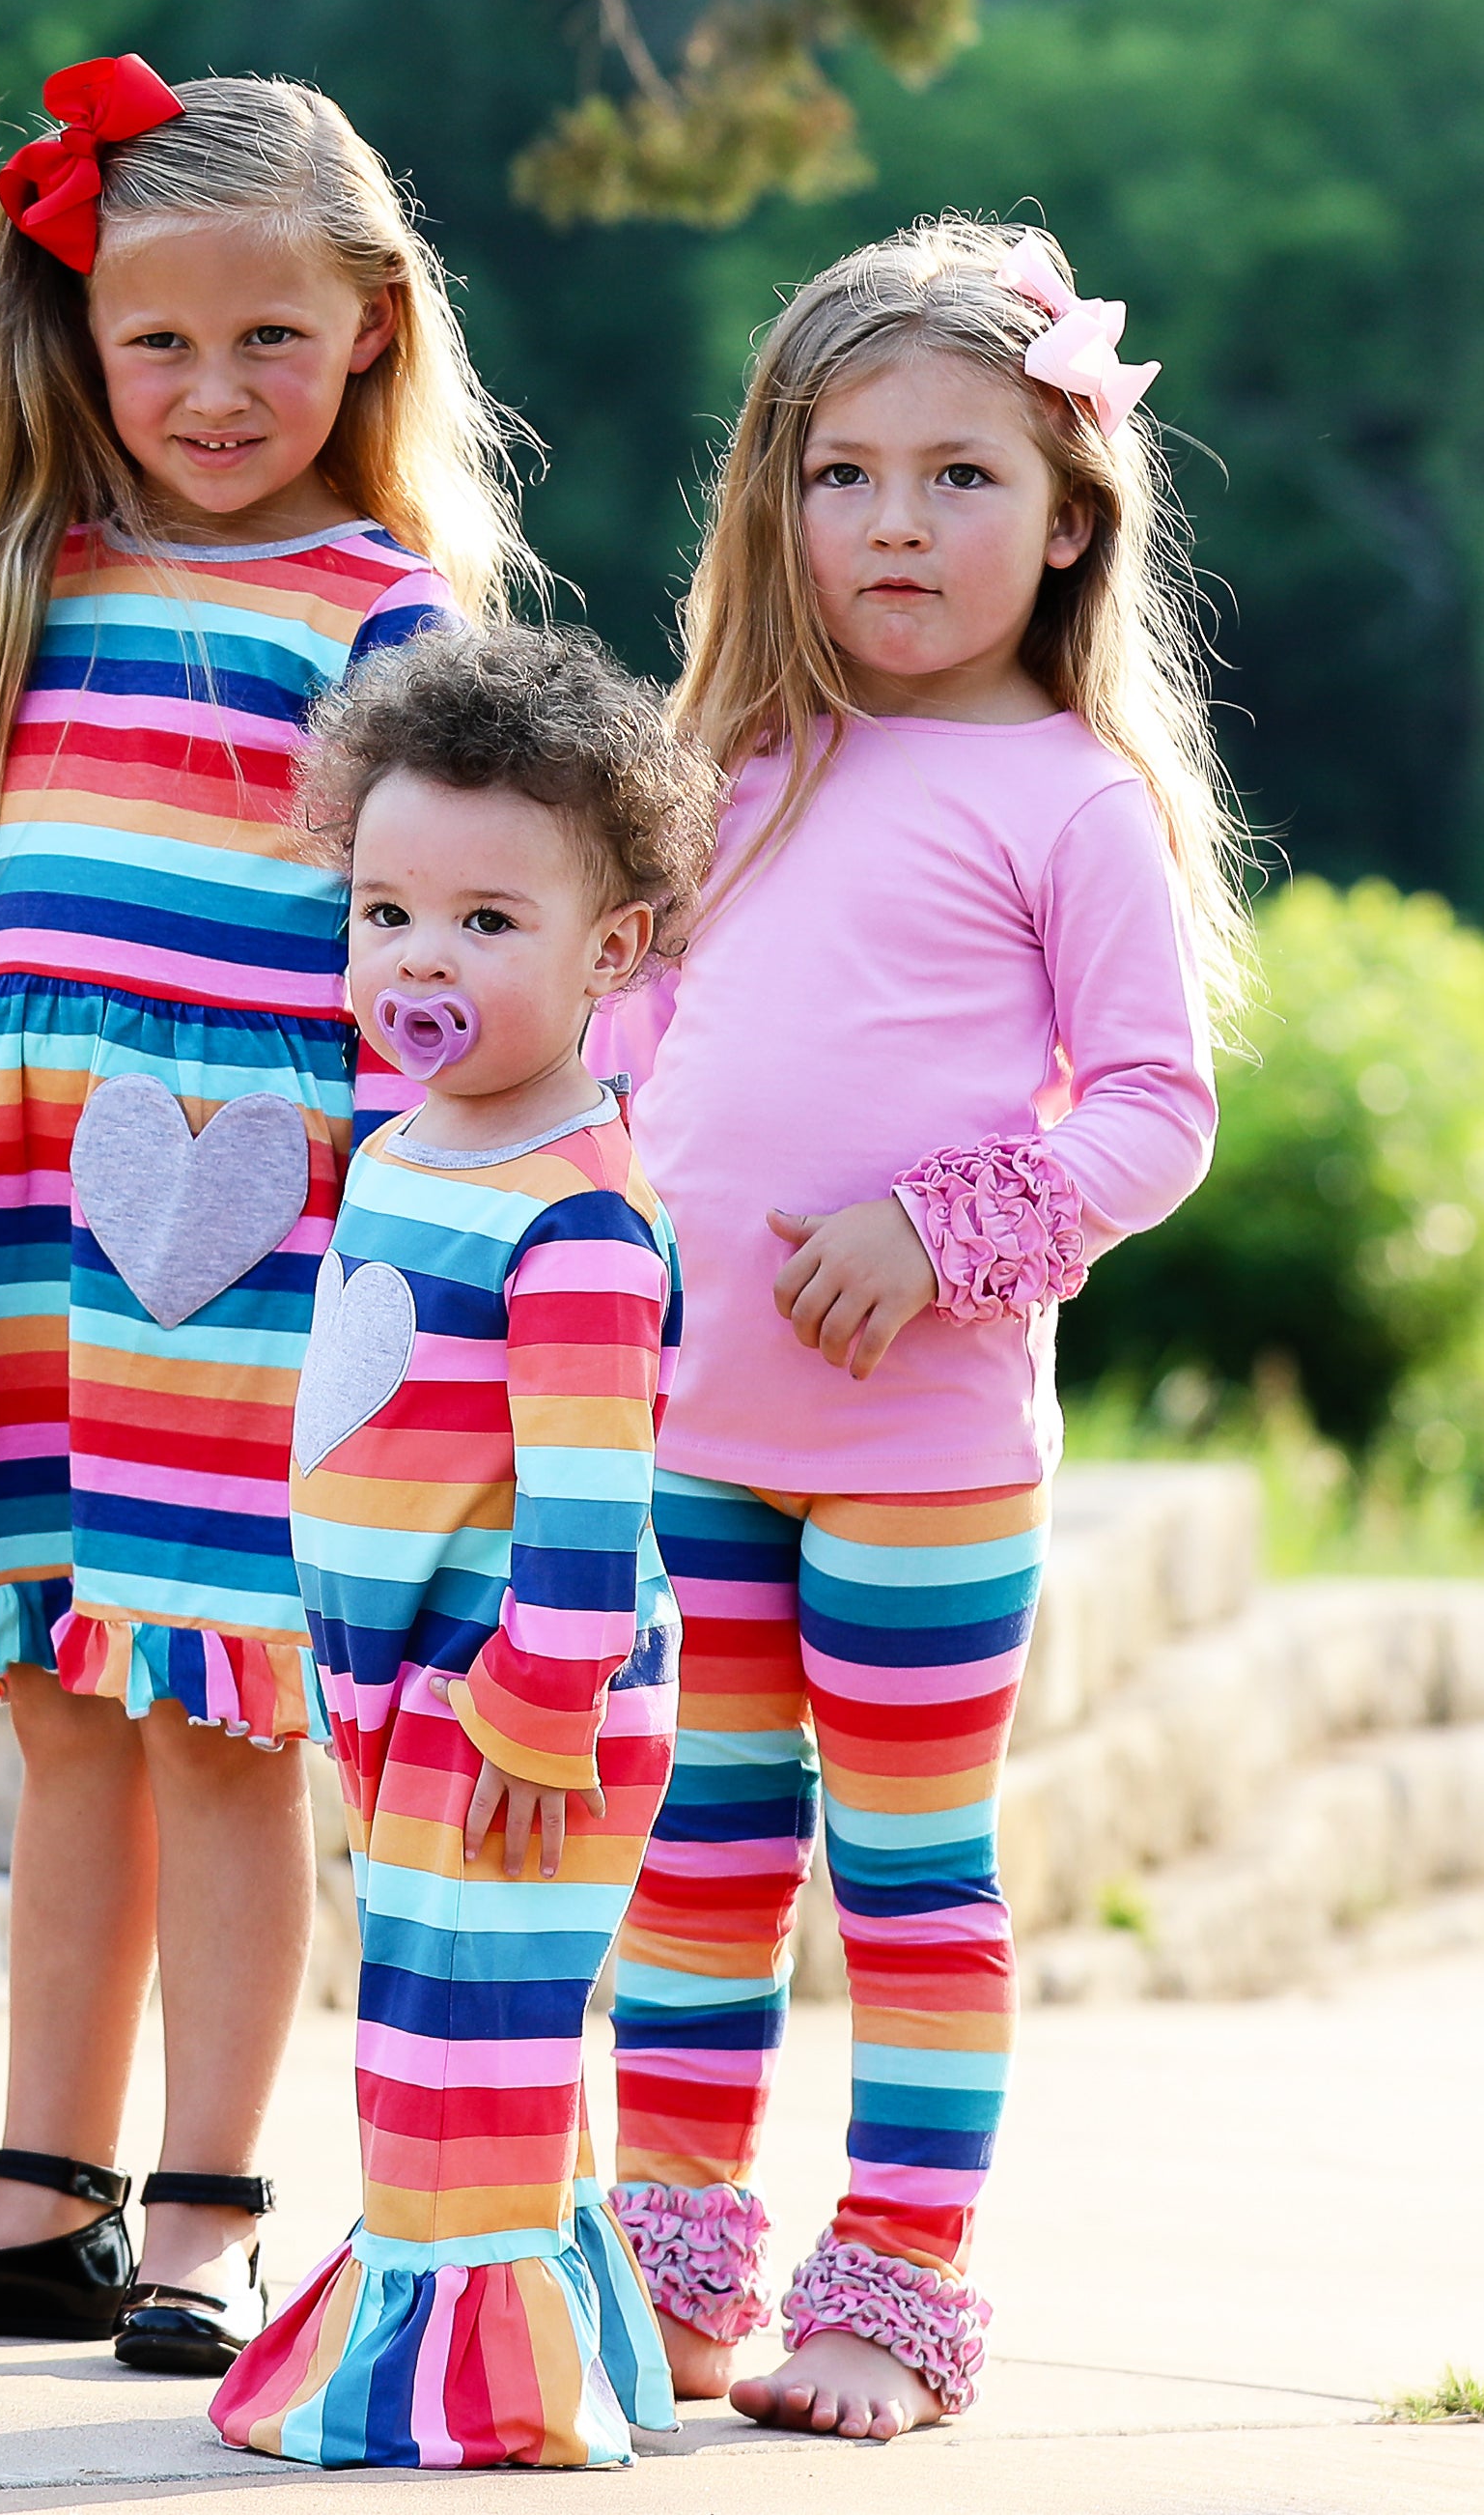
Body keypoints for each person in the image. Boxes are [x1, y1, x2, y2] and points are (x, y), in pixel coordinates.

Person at [0, 62, 529, 2372]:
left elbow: (442, 968)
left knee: (219, 1706)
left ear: (370, 328)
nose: (209, 391)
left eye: (268, 339)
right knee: (67, 1699)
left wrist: (450, 1249)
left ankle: (204, 2215)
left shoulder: (387, 621)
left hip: (274, 1231)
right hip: (23, 1206)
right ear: (73, 338)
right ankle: (39, 2187)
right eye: (154, 341)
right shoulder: (24, 583)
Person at [594, 219, 1237, 2436]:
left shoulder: (1071, 799)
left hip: (927, 1451)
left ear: (1070, 522)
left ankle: (896, 2286)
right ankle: (674, 2267)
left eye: (961, 477)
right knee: (692, 1855)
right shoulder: (725, 768)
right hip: (685, 1423)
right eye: (844, 470)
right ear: (775, 497)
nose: (895, 522)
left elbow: (1156, 1114)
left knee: (908, 1880)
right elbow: (628, 1052)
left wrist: (945, 1224)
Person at [209, 622, 721, 2469]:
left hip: (513, 1702)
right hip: (410, 1689)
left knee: (454, 2048)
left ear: (612, 952)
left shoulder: (575, 1212)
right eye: (386, 911)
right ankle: (513, 2349)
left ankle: (470, 2384)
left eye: (486, 925)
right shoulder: (414, 1141)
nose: (420, 958)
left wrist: (535, 1694)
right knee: (454, 2037)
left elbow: (592, 1493)